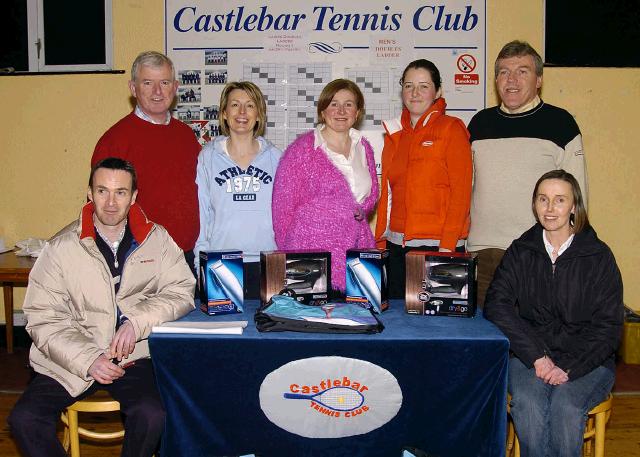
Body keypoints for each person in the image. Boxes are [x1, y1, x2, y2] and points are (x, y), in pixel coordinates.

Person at [8, 158, 195, 457]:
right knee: (24, 419)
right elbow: (43, 317)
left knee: (153, 415)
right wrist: (89, 357)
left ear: (133, 196)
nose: (110, 202)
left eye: (120, 192)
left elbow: (182, 290)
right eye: (102, 191)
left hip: (133, 355)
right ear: (89, 194)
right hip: (72, 357)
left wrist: (137, 322)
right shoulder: (61, 248)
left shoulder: (156, 240)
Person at [484, 170, 623, 457]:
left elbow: (609, 327)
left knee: (566, 407)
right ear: (534, 204)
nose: (550, 209)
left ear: (574, 206)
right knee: (529, 404)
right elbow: (497, 304)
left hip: (588, 359)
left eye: (560, 200)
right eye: (543, 199)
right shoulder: (521, 251)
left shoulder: (598, 256)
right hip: (530, 355)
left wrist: (569, 368)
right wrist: (537, 356)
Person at [467, 40, 587, 306]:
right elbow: (466, 187)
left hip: (539, 253)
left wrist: (569, 253)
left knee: (536, 340)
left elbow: (578, 196)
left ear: (539, 79)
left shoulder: (561, 124)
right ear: (496, 79)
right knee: (485, 341)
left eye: (522, 71)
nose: (512, 79)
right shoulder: (478, 124)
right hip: (484, 254)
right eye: (504, 72)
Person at [92, 51, 200, 274]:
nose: (158, 91)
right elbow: (102, 207)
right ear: (133, 88)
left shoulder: (186, 136)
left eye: (164, 82)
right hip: (137, 258)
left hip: (185, 257)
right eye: (148, 83)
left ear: (176, 87)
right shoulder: (115, 141)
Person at [374, 59, 472, 298]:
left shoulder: (452, 129)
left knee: (437, 329)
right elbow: (387, 194)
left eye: (423, 86)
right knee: (397, 324)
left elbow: (461, 194)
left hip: (439, 246)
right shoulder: (394, 135)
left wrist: (447, 248)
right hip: (397, 247)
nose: (415, 93)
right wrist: (380, 242)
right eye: (408, 85)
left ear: (438, 91)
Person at [272, 79, 379, 292]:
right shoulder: (301, 151)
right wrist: (291, 259)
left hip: (355, 250)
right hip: (310, 257)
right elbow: (281, 211)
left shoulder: (364, 146)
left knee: (358, 321)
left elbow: (368, 197)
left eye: (348, 104)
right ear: (322, 111)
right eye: (333, 104)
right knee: (313, 321)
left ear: (357, 112)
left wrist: (356, 212)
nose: (341, 110)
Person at [194, 81, 282, 298]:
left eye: (250, 106)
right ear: (224, 113)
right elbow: (202, 215)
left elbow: (286, 215)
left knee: (269, 330)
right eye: (235, 105)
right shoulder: (208, 157)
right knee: (223, 331)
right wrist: (200, 263)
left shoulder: (276, 158)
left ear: (259, 115)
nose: (242, 112)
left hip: (268, 262)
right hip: (221, 263)